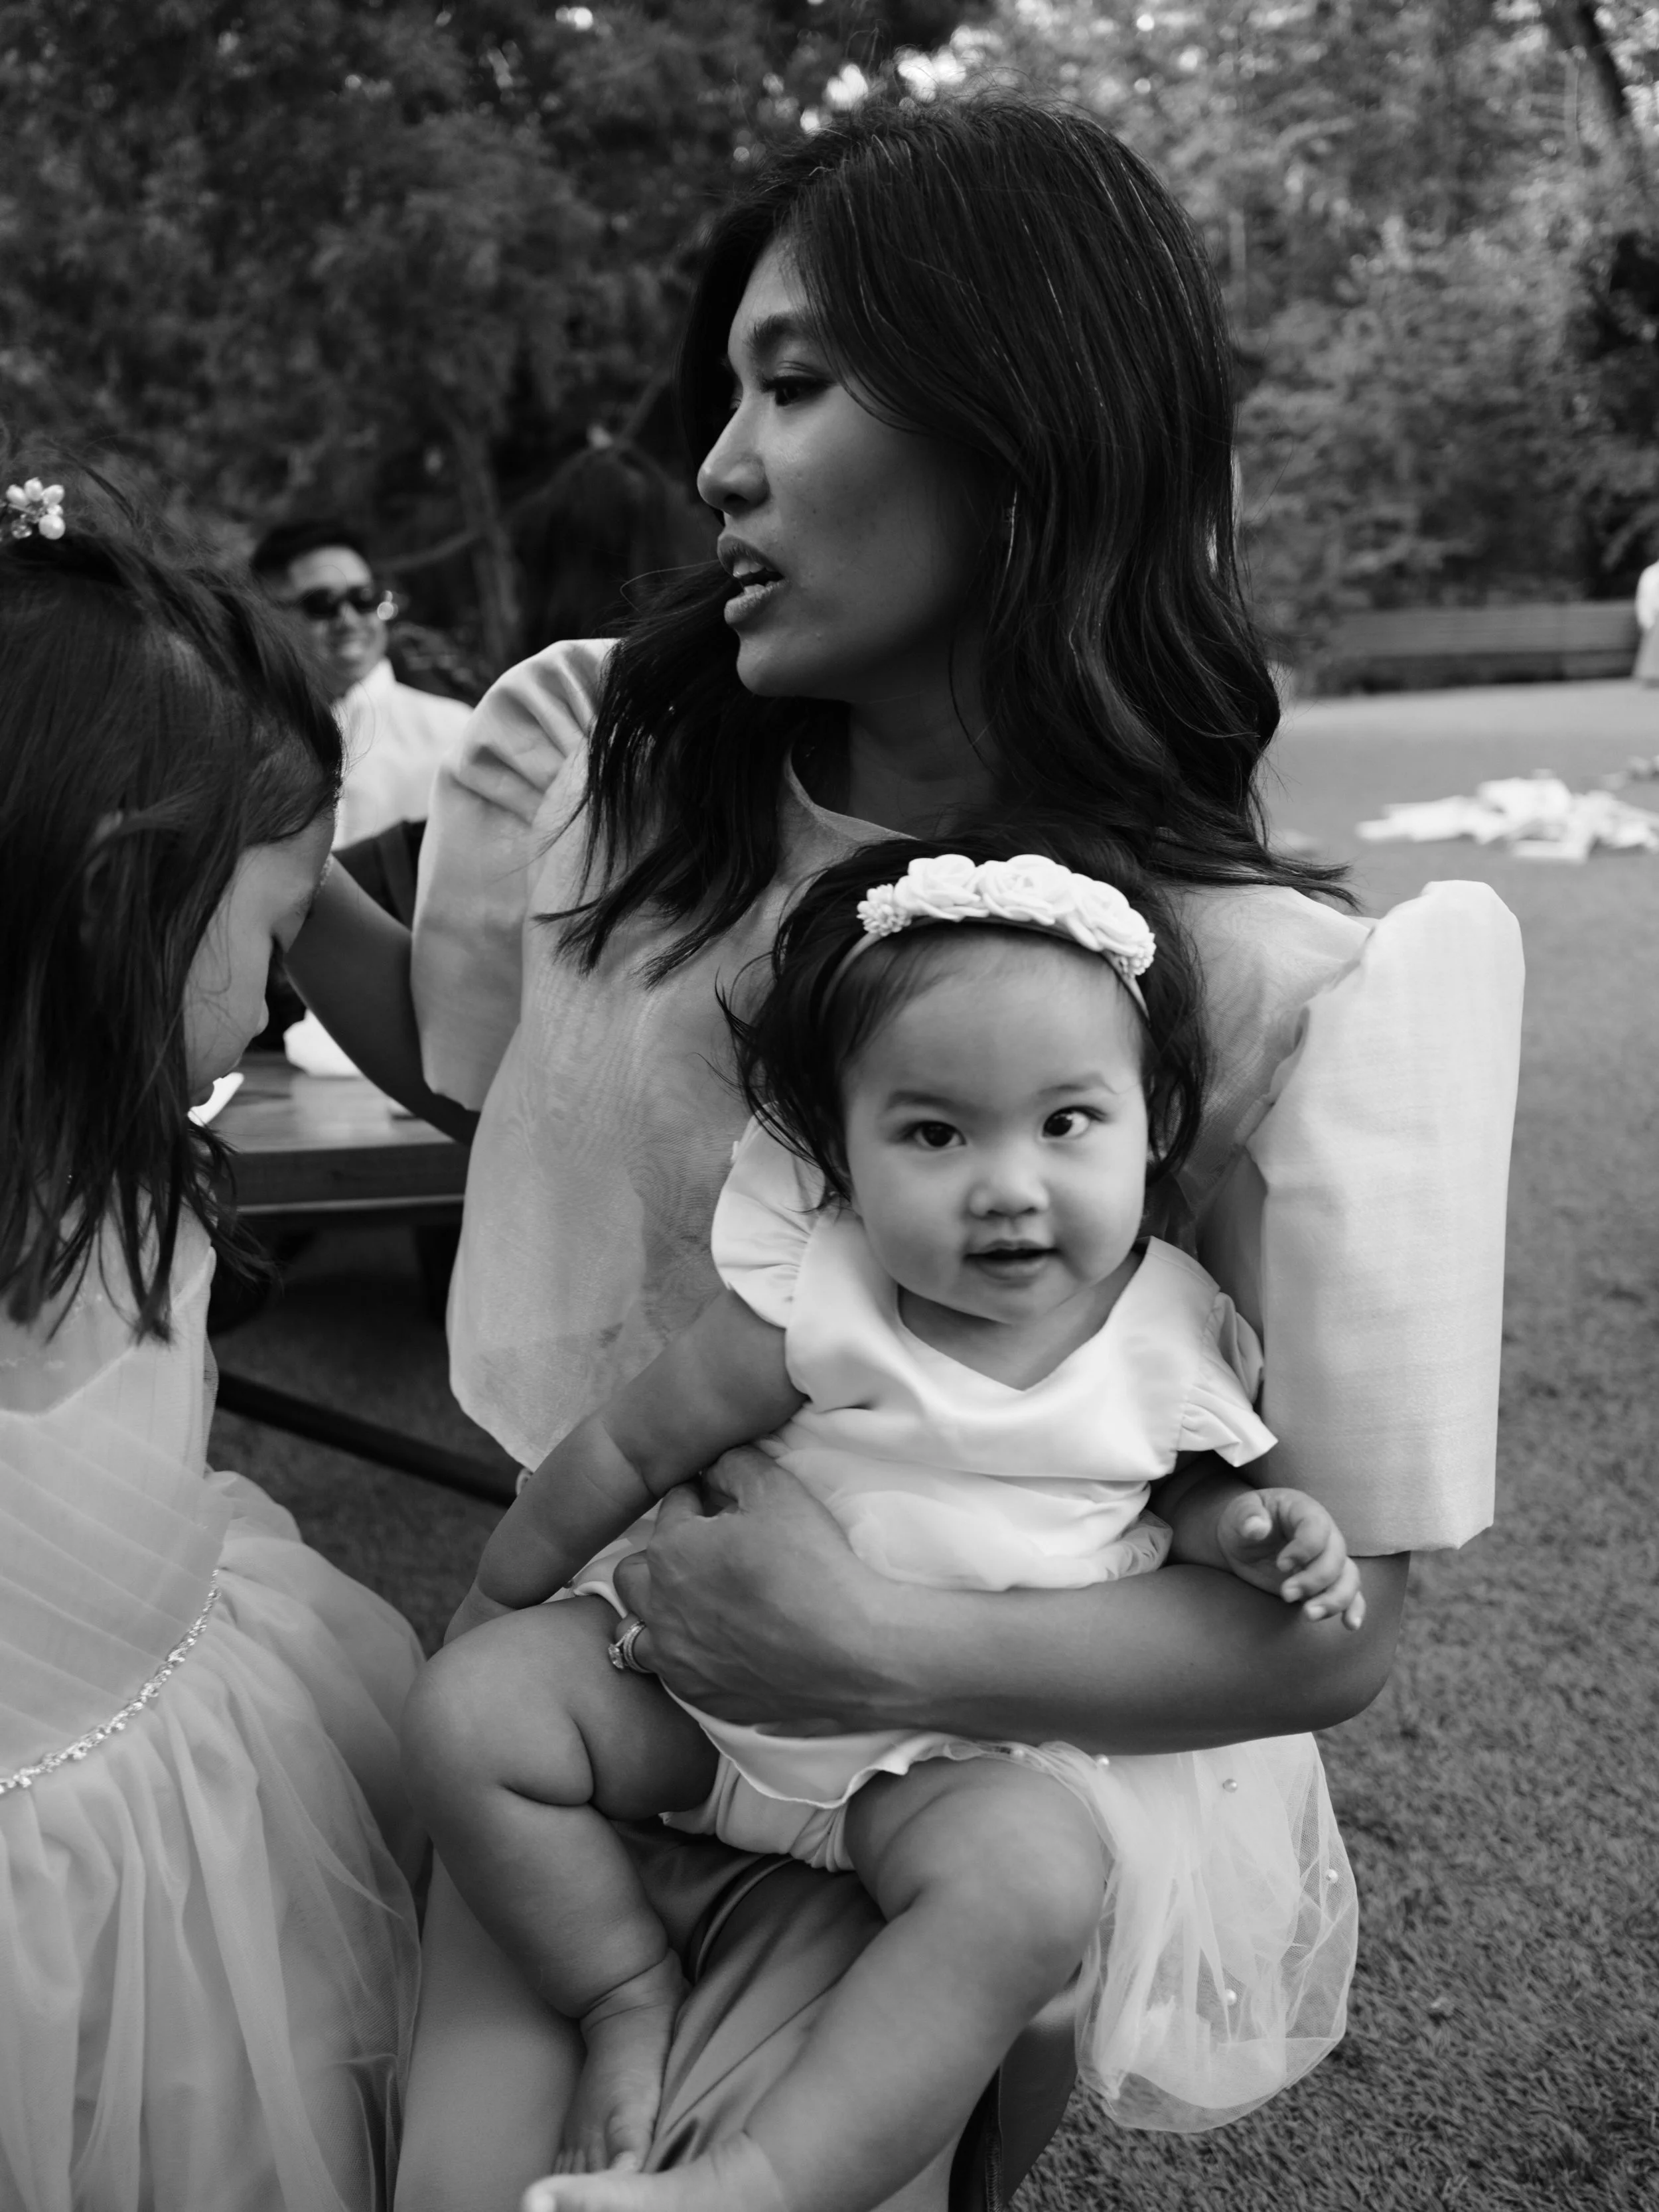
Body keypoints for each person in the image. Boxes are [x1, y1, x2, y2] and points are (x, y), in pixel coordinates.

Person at [285, 95, 1523, 2211]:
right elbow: (493, 1077)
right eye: (725, 391)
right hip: (607, 1690)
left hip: (983, 1768)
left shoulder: (1264, 987)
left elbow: (1330, 1625)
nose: (717, 467)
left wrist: (868, 1652)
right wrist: (244, 825)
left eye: (795, 384)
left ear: (1015, 420)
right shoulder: (609, 776)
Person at [404, 837, 1368, 2212]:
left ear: (1150, 1123)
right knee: (466, 1715)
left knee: (1034, 1882)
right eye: (933, 1132)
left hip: (945, 1759)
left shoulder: (1168, 1327)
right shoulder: (815, 1298)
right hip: (699, 1703)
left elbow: (1190, 1498)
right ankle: (622, 1989)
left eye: (1065, 1122)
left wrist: (1264, 1530)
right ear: (841, 1154)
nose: (1005, 1183)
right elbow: (626, 1441)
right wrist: (505, 1597)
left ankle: (757, 2178)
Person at [0, 477, 425, 2212]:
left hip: (193, 1779)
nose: (278, 996)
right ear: (121, 902)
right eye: (271, 934)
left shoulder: (141, 1159)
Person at [252, 517, 472, 855]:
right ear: (267, 616)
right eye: (322, 603)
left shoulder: (454, 730)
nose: (349, 620)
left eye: (363, 598)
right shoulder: (247, 742)